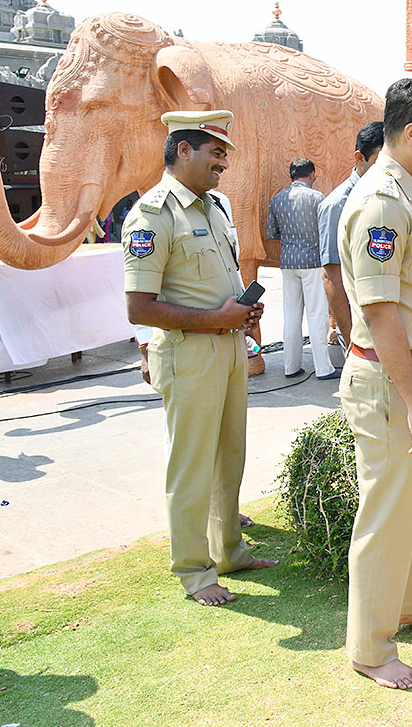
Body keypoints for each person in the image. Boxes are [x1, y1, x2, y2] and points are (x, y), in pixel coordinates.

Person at [123, 110, 277, 606]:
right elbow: (137, 306)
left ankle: (229, 550)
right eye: (216, 153)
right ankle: (194, 571)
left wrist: (243, 312)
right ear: (183, 150)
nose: (223, 164)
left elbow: (217, 281)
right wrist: (217, 320)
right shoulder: (151, 215)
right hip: (189, 355)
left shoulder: (213, 209)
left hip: (229, 348)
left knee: (229, 456)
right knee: (192, 465)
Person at [337, 78, 412, 690]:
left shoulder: (410, 195)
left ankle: (407, 604)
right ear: (410, 132)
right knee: (387, 512)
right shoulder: (383, 203)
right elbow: (381, 312)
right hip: (391, 382)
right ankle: (371, 648)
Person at [267, 157, 337, 380]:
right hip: (313, 262)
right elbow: (326, 230)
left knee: (291, 315)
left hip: (288, 262)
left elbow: (272, 233)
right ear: (312, 174)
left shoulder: (277, 199)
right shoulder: (317, 198)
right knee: (317, 315)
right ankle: (324, 368)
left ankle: (291, 366)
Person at [319, 122, 383, 347]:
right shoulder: (337, 205)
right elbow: (332, 277)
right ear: (360, 158)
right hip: (362, 330)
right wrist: (350, 341)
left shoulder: (387, 197)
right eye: (379, 161)